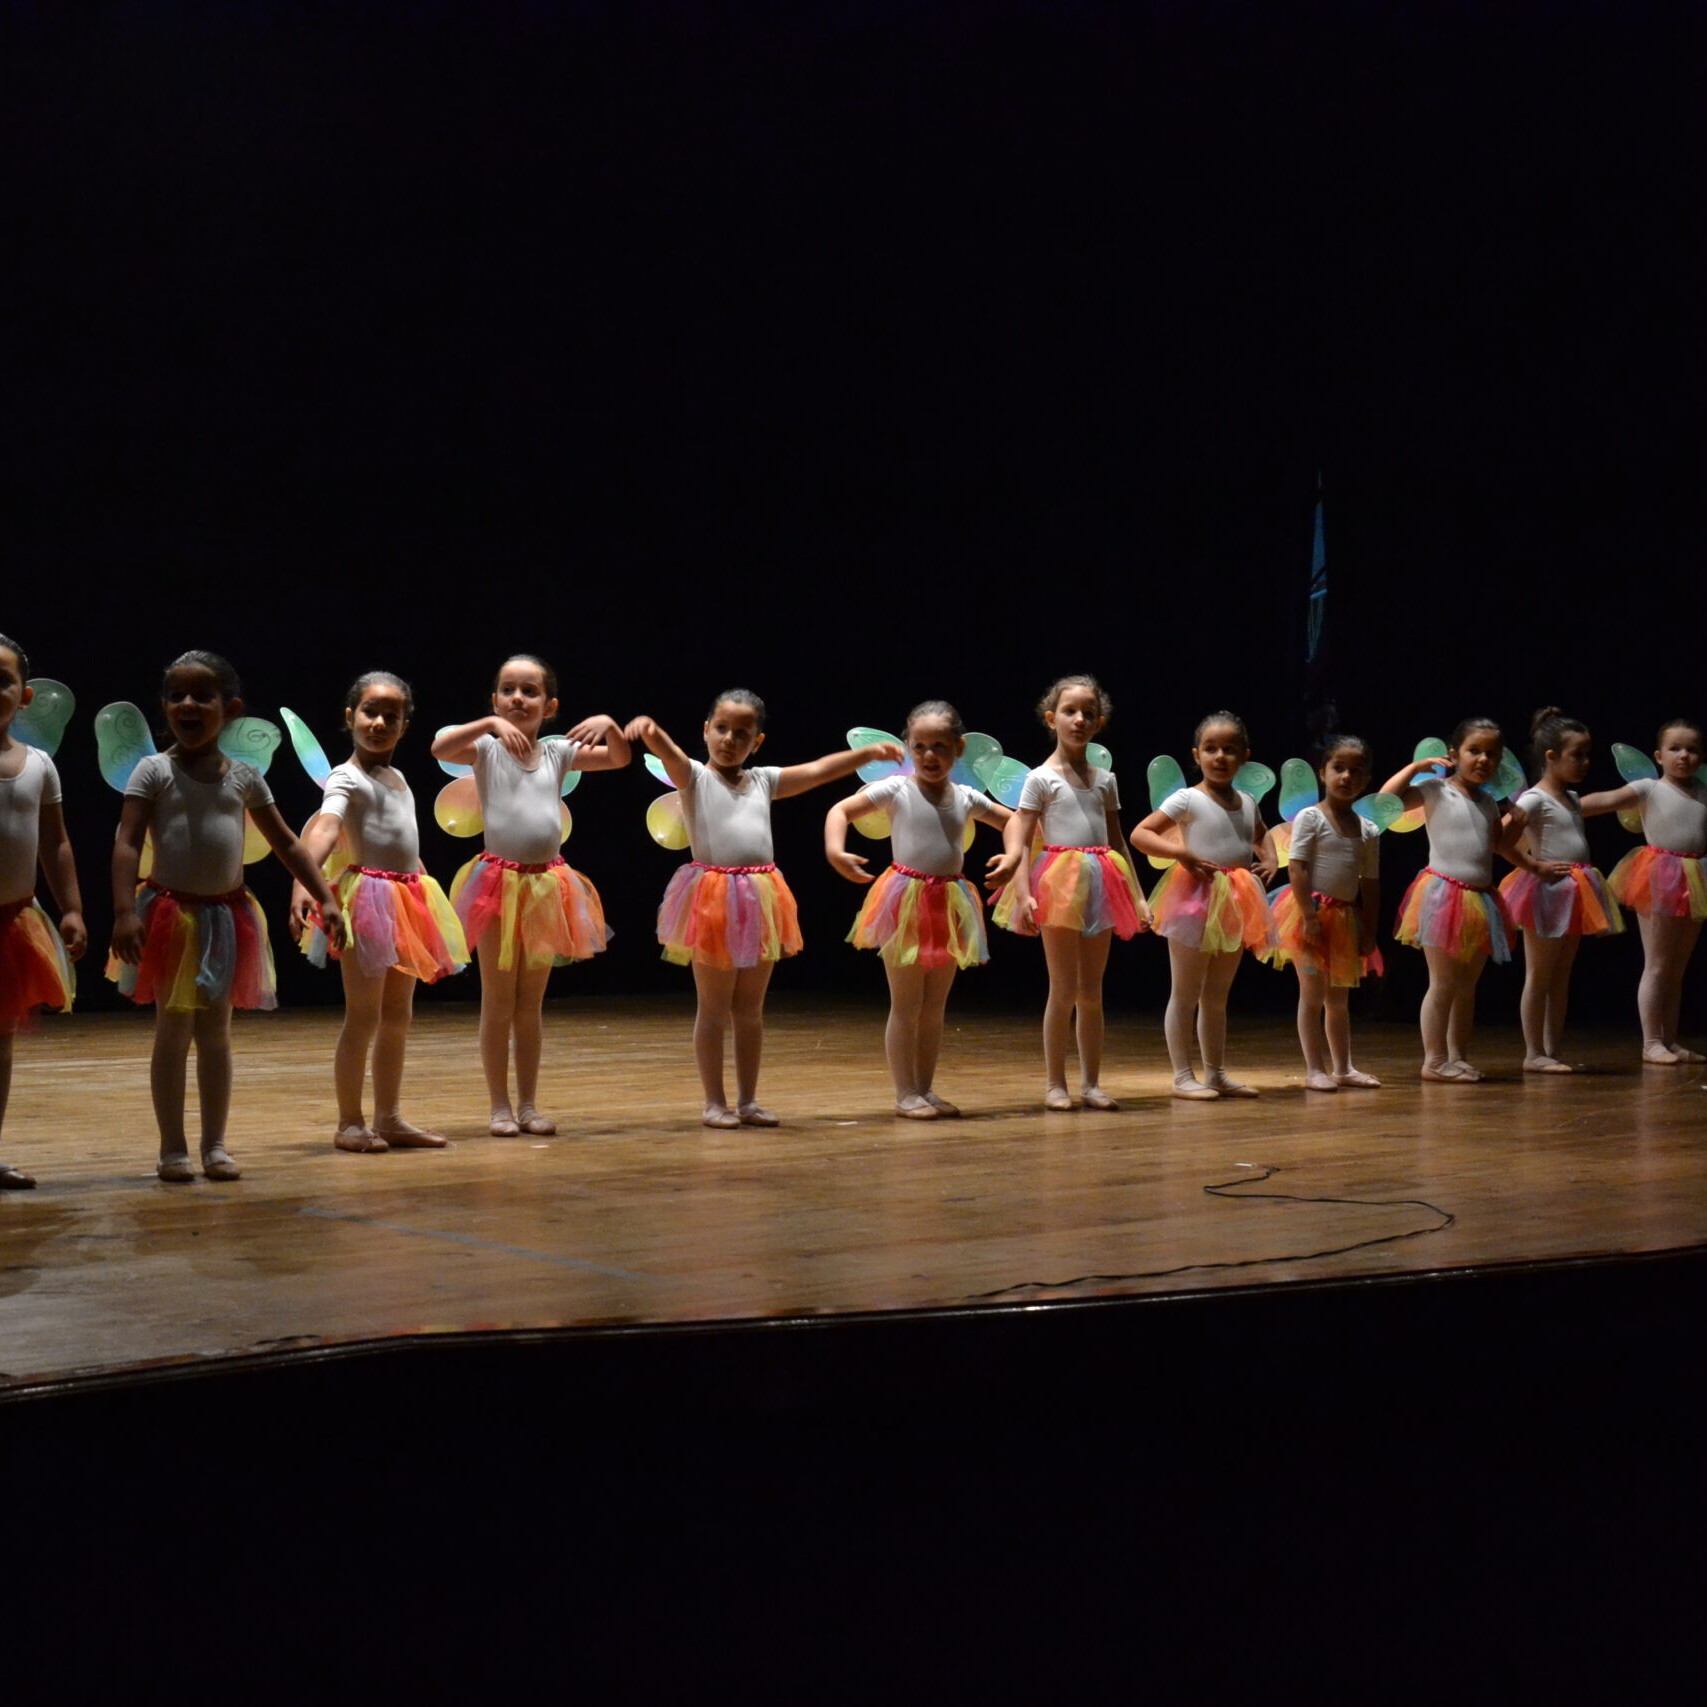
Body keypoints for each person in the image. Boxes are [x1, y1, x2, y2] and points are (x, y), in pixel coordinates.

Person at [109, 651, 345, 1181]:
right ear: (164, 706)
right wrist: (124, 910)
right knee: (172, 1030)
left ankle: (215, 1144)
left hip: (226, 916)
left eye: (202, 696)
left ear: (230, 709)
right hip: (169, 915)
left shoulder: (244, 777)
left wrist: (324, 896)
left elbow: (287, 843)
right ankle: (173, 1147)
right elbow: (127, 842)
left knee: (215, 1033)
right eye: (176, 696)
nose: (187, 705)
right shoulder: (153, 771)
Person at [625, 692, 900, 1127]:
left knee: (750, 1010)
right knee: (714, 1009)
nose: (729, 739)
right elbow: (671, 755)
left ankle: (748, 1101)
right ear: (706, 730)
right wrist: (651, 731)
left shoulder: (764, 781)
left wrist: (864, 755)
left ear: (757, 741)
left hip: (760, 897)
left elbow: (817, 771)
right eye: (721, 729)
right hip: (711, 900)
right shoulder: (695, 777)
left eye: (741, 733)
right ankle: (714, 1102)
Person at [433, 655, 629, 1136]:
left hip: (546, 885)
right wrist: (490, 725)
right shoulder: (486, 748)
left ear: (550, 706)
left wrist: (609, 724)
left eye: (529, 691)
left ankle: (528, 1104)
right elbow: (440, 746)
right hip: (496, 885)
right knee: (498, 1001)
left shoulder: (558, 752)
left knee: (530, 1005)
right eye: (508, 690)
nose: (518, 698)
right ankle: (499, 1107)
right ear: (495, 700)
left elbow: (619, 758)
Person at [289, 671, 468, 1152]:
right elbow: (326, 828)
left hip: (407, 898)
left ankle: (389, 1117)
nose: (380, 723)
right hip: (367, 901)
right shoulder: (345, 777)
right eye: (371, 712)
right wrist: (303, 879)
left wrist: (423, 891)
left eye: (392, 715)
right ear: (351, 717)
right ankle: (349, 1121)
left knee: (397, 1015)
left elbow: (403, 843)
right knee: (363, 1016)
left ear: (405, 725)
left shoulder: (399, 779)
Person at [826, 700, 1014, 1119]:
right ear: (907, 747)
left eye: (940, 747)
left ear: (958, 749)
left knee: (934, 1007)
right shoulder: (897, 790)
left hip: (948, 901)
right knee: (907, 1005)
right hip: (906, 900)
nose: (929, 755)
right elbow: (841, 810)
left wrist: (1014, 855)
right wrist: (836, 850)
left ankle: (925, 1088)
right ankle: (905, 1092)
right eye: (920, 747)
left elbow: (1013, 821)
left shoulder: (965, 797)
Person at [993, 674, 1148, 1110]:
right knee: (1062, 989)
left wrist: (1137, 896)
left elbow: (1117, 842)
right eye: (1070, 711)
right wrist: (1024, 893)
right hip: (1057, 882)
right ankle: (1055, 1084)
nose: (1079, 719)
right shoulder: (1041, 779)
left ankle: (1091, 1083)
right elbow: (1022, 840)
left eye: (1088, 713)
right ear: (1052, 719)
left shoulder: (1106, 780)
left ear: (1099, 723)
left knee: (1092, 991)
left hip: (1102, 880)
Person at [1130, 712, 1277, 1099]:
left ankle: (1216, 1073)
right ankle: (1182, 1076)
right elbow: (1141, 834)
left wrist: (1272, 858)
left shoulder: (1248, 801)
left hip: (1235, 900)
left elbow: (1262, 834)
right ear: (1197, 755)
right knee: (1185, 992)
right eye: (1211, 749)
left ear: (1244, 756)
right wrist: (1181, 853)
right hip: (1193, 900)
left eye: (1229, 749)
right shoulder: (1187, 798)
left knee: (1217, 995)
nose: (1220, 756)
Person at [1381, 716, 1519, 1083]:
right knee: (1442, 983)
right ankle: (1434, 1060)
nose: (1483, 759)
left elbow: (1495, 846)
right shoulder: (1435, 790)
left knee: (1466, 987)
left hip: (1481, 899)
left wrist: (1517, 821)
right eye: (1475, 751)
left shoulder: (1489, 802)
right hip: (1442, 896)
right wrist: (1415, 768)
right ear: (1455, 755)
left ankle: (1458, 1056)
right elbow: (1386, 801)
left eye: (1492, 753)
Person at [0, 633, 85, 1189]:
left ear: (25, 695)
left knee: (0, 1044)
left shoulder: (39, 765)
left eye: (2, 680)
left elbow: (55, 844)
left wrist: (71, 908)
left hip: (11, 925)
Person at [1499, 708, 1623, 1073]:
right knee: (1540, 974)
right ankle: (1533, 1053)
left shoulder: (1570, 797)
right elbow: (1501, 841)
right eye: (1576, 755)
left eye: (1587, 755)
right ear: (1551, 757)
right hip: (1546, 891)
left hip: (1575, 889)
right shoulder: (1534, 799)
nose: (1585, 762)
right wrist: (1534, 866)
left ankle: (1552, 1051)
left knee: (1561, 975)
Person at [1262, 735, 1384, 1091]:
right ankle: (1315, 1069)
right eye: (1338, 768)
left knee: (1339, 999)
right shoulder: (1311, 818)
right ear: (1322, 772)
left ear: (1366, 779)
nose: (1346, 776)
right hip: (1309, 914)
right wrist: (1309, 917)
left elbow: (1370, 884)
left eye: (1356, 771)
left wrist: (1370, 930)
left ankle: (1343, 1068)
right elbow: (1296, 867)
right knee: (1312, 995)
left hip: (1345, 918)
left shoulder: (1368, 830)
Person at [1584, 718, 1707, 1064]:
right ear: (1658, 755)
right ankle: (1651, 1043)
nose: (1684, 755)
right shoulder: (1648, 789)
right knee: (1658, 964)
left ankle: (1670, 1040)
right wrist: (1560, 803)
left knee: (1677, 968)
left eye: (1692, 750)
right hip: (1659, 877)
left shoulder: (1703, 791)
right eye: (1675, 748)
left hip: (1697, 878)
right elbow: (1605, 800)